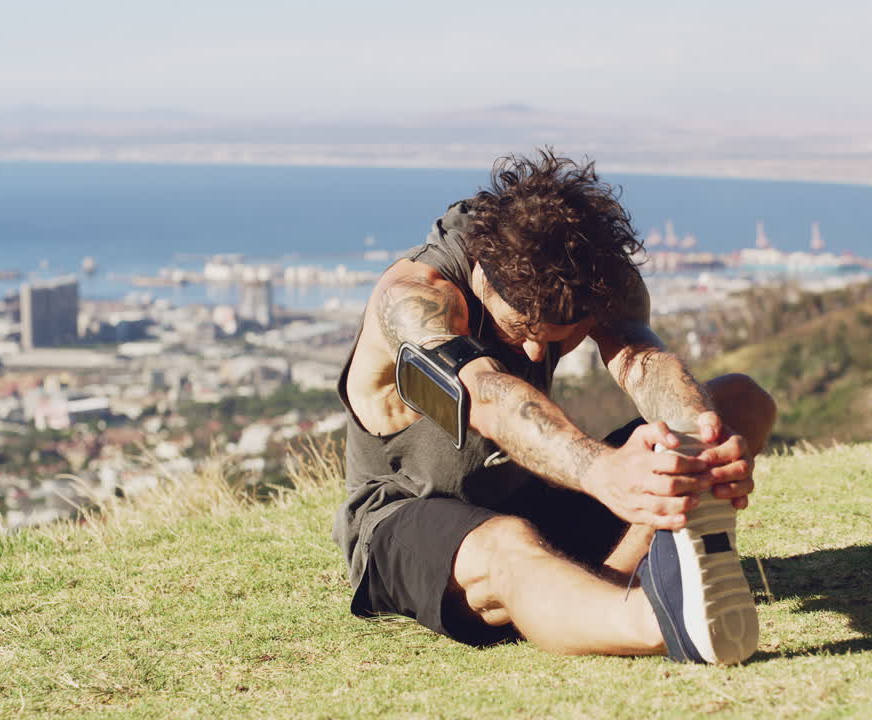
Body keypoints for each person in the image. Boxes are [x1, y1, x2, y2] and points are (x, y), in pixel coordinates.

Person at [332, 150, 776, 664]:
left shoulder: (590, 272)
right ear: (481, 278)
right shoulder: (414, 300)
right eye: (519, 330)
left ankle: (606, 588)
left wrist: (699, 446)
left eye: (560, 340)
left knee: (738, 401)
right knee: (508, 540)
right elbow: (488, 398)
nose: (534, 354)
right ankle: (658, 622)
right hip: (408, 518)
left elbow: (641, 359)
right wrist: (603, 471)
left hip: (534, 490)